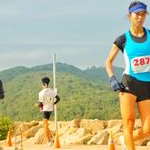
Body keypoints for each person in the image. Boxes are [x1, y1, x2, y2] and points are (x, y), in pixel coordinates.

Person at [105, 1, 150, 150]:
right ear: (129, 15)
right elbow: (108, 62)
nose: (140, 17)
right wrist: (112, 78)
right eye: (137, 14)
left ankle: (125, 140)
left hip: (147, 85)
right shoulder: (122, 39)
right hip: (128, 84)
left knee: (147, 129)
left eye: (143, 14)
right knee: (129, 123)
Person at [37, 77, 60, 146]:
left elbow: (40, 104)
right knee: (45, 125)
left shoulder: (41, 92)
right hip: (50, 109)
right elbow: (58, 99)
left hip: (45, 110)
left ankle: (50, 140)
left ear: (44, 84)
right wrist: (53, 103)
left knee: (45, 126)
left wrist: (37, 105)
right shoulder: (52, 91)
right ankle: (51, 139)